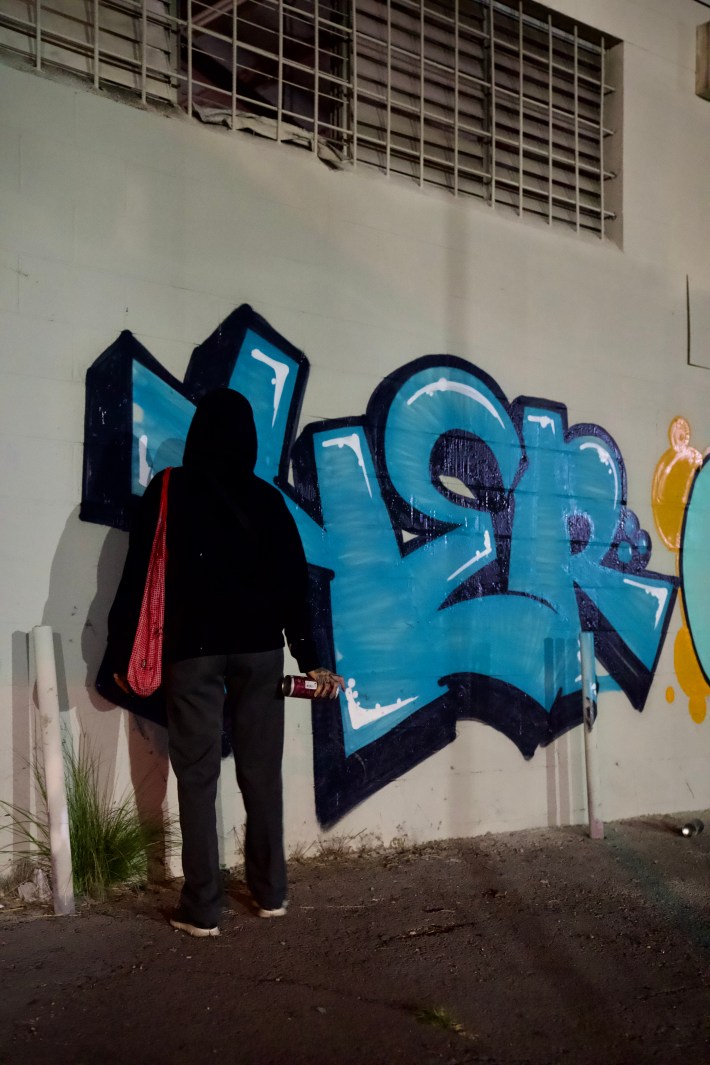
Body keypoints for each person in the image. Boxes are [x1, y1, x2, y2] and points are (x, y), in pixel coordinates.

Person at [105, 388, 344, 937]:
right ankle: (271, 891)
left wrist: (120, 650)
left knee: (197, 777)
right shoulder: (267, 500)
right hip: (260, 652)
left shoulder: (169, 490)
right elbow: (293, 586)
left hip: (192, 653)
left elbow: (138, 575)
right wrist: (310, 658)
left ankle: (203, 907)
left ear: (198, 434)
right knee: (261, 772)